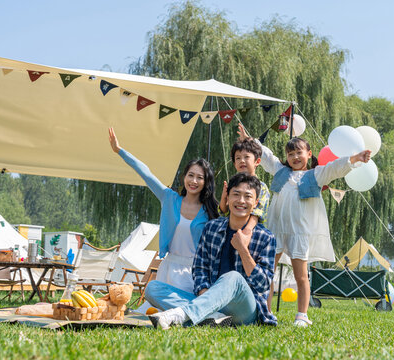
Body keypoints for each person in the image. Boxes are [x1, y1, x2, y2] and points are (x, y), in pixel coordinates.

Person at [238, 125, 371, 327]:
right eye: (290, 154)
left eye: (299, 152)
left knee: (301, 276)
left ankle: (302, 314)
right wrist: (249, 139)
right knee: (268, 273)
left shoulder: (316, 175)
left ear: (309, 154)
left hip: (299, 233)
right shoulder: (280, 171)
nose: (295, 157)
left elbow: (334, 168)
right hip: (275, 230)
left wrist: (355, 158)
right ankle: (265, 311)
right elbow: (266, 155)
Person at [144, 172, 277, 329]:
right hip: (211, 300)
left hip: (244, 309)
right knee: (153, 288)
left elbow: (263, 285)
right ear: (227, 198)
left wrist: (243, 250)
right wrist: (204, 292)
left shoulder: (266, 237)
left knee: (233, 278)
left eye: (247, 196)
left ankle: (181, 315)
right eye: (236, 194)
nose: (241, 201)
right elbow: (200, 267)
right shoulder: (212, 228)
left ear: (255, 203)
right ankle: (213, 317)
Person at [108, 127, 219, 293]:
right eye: (190, 175)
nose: (194, 180)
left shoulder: (209, 211)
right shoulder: (169, 199)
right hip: (169, 269)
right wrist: (120, 151)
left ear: (206, 182)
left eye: (200, 177)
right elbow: (146, 173)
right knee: (154, 301)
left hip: (196, 273)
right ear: (184, 177)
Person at [218, 129, 271, 228]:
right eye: (238, 158)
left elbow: (257, 214)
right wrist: (224, 197)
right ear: (234, 163)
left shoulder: (262, 187)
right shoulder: (232, 184)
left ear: (257, 161)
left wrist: (245, 234)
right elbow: (223, 212)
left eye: (246, 157)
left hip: (252, 233)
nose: (242, 161)